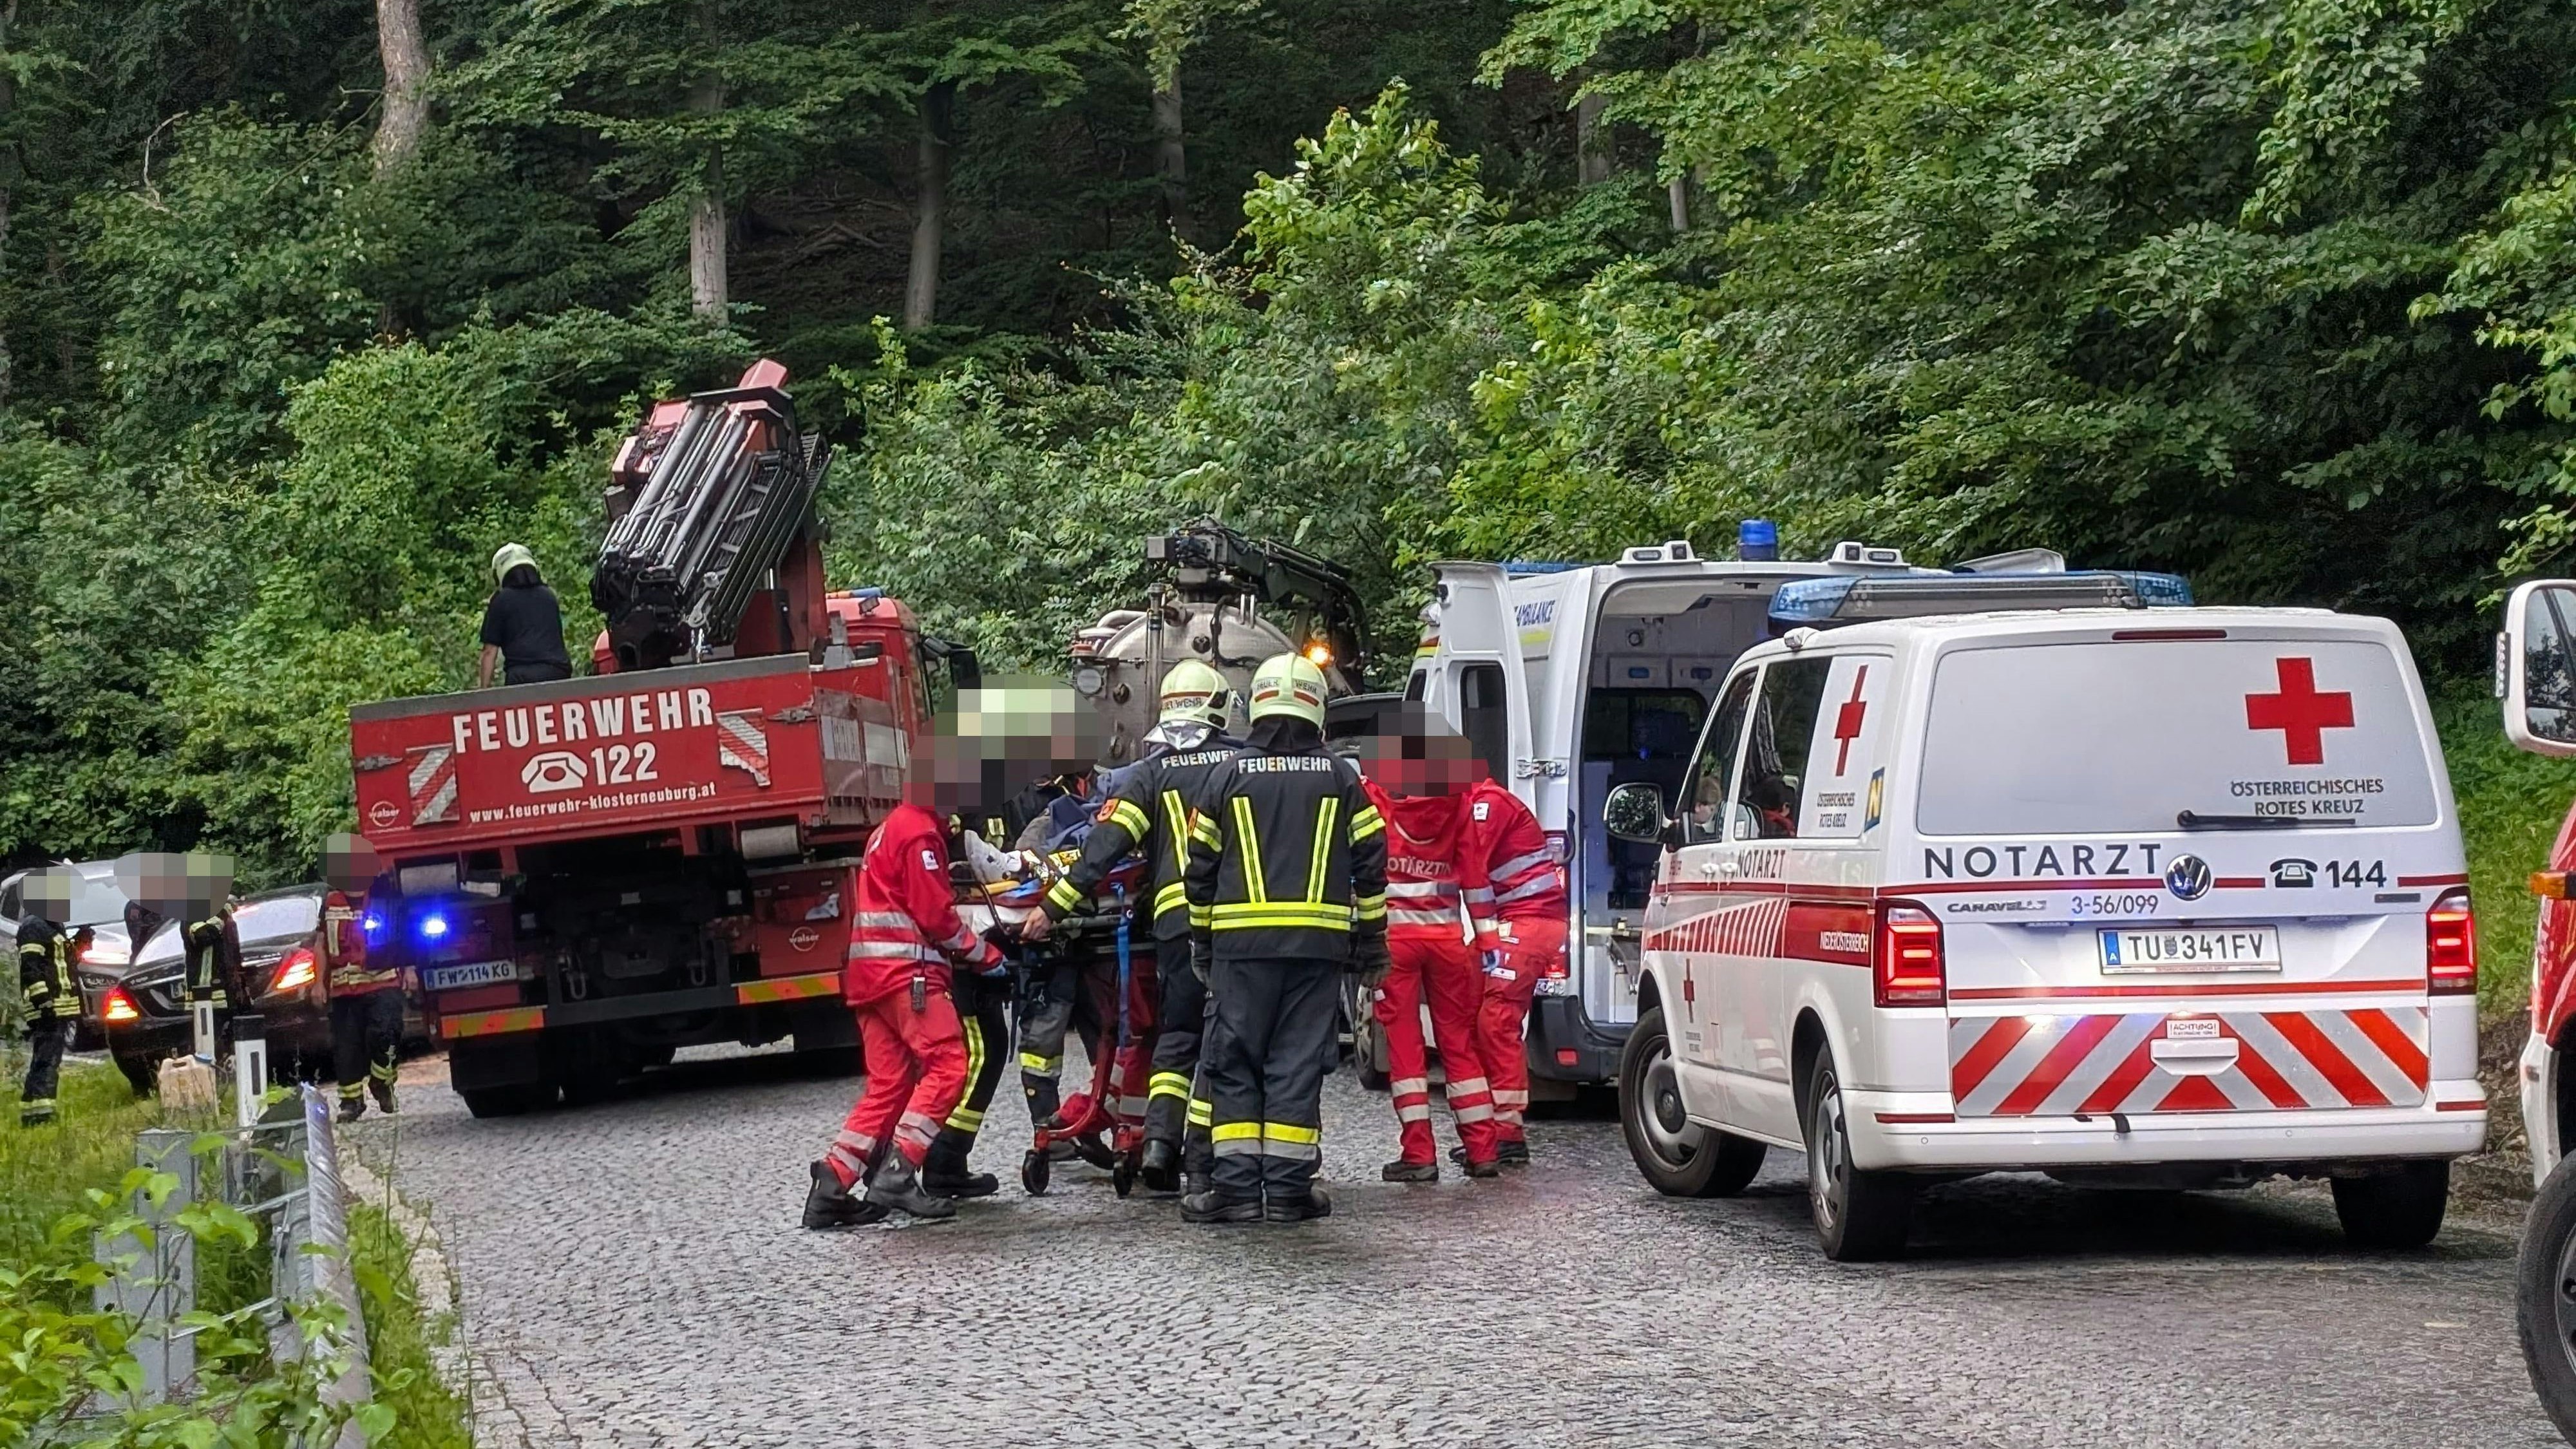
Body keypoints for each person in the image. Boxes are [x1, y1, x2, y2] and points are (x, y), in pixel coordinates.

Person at [1180, 652, 1387, 1225]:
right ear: (1317, 707)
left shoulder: (1224, 776)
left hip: (1239, 952)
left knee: (1235, 1061)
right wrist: (1372, 945)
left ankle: (1239, 1193)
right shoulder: (1343, 779)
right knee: (1296, 1065)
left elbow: (1198, 870)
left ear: (1259, 705)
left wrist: (1201, 940)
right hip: (1317, 950)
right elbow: (1372, 866)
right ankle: (1292, 1192)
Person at [1023, 659, 1244, 1195]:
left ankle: (1161, 1151)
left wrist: (1052, 908)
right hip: (1243, 928)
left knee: (1177, 1039)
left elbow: (1103, 849)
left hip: (1175, 928)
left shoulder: (1150, 773)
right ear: (1219, 706)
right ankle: (1217, 1159)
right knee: (1236, 1043)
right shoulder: (1245, 765)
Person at [803, 735, 1009, 1228]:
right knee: (948, 1066)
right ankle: (899, 1172)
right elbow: (936, 917)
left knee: (889, 1085)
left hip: (873, 979)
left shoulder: (891, 828)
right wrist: (988, 956)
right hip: (907, 976)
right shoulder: (919, 833)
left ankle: (832, 1183)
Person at [1360, 713, 1502, 1182]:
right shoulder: (1458, 803)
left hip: (1394, 942)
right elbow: (1477, 880)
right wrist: (1487, 939)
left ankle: (1419, 1154)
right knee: (1459, 1044)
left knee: (1405, 1050)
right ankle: (1483, 1150)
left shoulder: (1375, 796)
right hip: (1446, 940)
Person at [1459, 770, 1568, 1166]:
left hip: (1530, 920)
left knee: (1496, 1018)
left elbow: (1468, 860)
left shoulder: (1488, 803)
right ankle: (1489, 1129)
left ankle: (1507, 1133)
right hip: (1513, 921)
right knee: (1466, 1008)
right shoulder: (1472, 803)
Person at [322, 888, 404, 1122]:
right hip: (343, 989)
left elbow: (403, 934)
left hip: (382, 982)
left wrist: (409, 969)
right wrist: (319, 983)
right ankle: (351, 1102)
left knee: (387, 1034)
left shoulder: (383, 895)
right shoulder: (331, 903)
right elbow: (322, 943)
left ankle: (382, 1082)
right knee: (346, 1047)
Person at [16, 871, 84, 1127]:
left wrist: (79, 944)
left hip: (58, 1004)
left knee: (48, 1058)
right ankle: (39, 1115)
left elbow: (59, 964)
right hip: (48, 1006)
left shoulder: (49, 924)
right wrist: (43, 1001)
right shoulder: (34, 925)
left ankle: (39, 1111)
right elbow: (31, 968)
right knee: (45, 1059)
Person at [477, 543, 572, 688]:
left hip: (521, 677)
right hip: (558, 672)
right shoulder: (549, 596)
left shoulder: (501, 600)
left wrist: (483, 693)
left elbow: (490, 652)